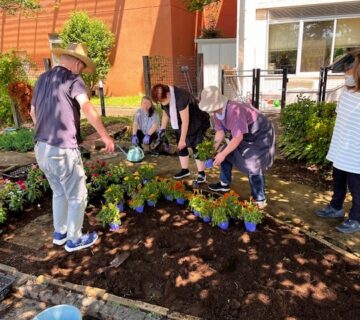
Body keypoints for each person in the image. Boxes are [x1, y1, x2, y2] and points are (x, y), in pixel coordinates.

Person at [30, 43, 115, 252]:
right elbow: (86, 106)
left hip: (41, 148)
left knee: (58, 192)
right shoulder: (73, 79)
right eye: (83, 68)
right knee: (78, 196)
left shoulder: (42, 79)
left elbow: (33, 112)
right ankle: (74, 239)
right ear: (77, 63)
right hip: (63, 150)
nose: (82, 72)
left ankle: (60, 233)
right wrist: (105, 136)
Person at [198, 86, 275, 208]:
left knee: (253, 163)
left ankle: (259, 198)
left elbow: (238, 138)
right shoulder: (217, 113)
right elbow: (220, 132)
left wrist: (222, 154)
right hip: (243, 133)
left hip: (259, 132)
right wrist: (212, 150)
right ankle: (224, 184)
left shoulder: (234, 110)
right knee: (224, 152)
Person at [315, 48, 360, 234]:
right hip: (342, 147)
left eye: (352, 67)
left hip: (356, 152)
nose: (347, 71)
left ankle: (357, 218)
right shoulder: (347, 91)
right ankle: (336, 207)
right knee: (338, 179)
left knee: (356, 187)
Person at [151, 84, 210, 183]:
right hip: (179, 123)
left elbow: (185, 121)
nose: (162, 103)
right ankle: (185, 170)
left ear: (168, 94)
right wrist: (162, 129)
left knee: (197, 147)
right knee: (181, 148)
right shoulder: (163, 95)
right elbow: (166, 112)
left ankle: (201, 173)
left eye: (162, 100)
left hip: (195, 121)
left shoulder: (181, 97)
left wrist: (183, 140)